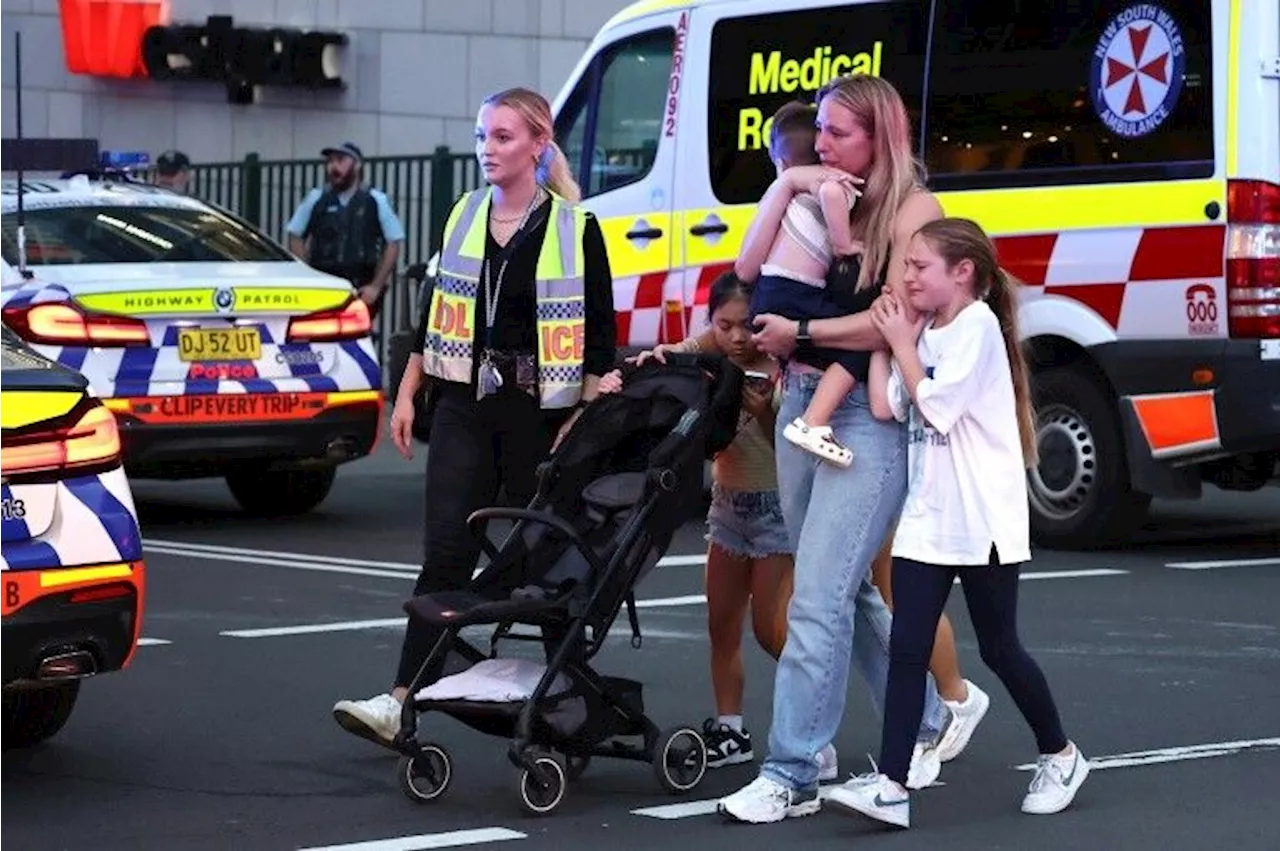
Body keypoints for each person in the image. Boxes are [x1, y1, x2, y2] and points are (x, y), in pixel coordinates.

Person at [330, 87, 617, 747]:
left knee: (544, 558)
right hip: (464, 404)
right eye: (483, 135)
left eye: (504, 137)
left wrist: (584, 418)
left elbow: (600, 338)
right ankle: (400, 702)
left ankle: (563, 703)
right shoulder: (464, 214)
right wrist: (406, 392)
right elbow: (434, 315)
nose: (488, 149)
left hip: (539, 416)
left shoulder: (576, 229)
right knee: (447, 554)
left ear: (539, 145)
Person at [826, 217, 1088, 828]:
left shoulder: (976, 328)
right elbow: (891, 405)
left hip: (982, 519)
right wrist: (888, 340)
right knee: (907, 648)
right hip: (928, 518)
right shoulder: (927, 329)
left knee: (999, 647)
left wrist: (903, 345)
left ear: (962, 273)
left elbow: (937, 408)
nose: (908, 276)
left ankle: (1061, 753)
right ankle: (892, 785)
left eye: (920, 266)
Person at [600, 271, 823, 774]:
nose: (738, 337)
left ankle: (811, 726)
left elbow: (792, 443)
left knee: (771, 630)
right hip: (726, 508)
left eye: (747, 325)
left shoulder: (783, 362)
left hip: (776, 510)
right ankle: (731, 729)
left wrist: (764, 411)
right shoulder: (712, 352)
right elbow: (669, 357)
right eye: (725, 326)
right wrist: (635, 367)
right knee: (721, 624)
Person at [746, 101, 863, 468]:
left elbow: (745, 266)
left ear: (779, 160)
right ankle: (814, 422)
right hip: (795, 291)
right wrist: (847, 246)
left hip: (770, 291)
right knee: (861, 345)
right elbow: (831, 196)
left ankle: (811, 413)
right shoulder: (829, 185)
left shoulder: (784, 195)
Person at [286, 141, 405, 320]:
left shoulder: (375, 200)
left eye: (340, 160)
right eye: (330, 161)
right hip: (323, 284)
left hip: (360, 285)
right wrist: (308, 276)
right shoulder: (316, 198)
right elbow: (295, 234)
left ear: (357, 165)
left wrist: (375, 286)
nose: (333, 167)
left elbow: (393, 242)